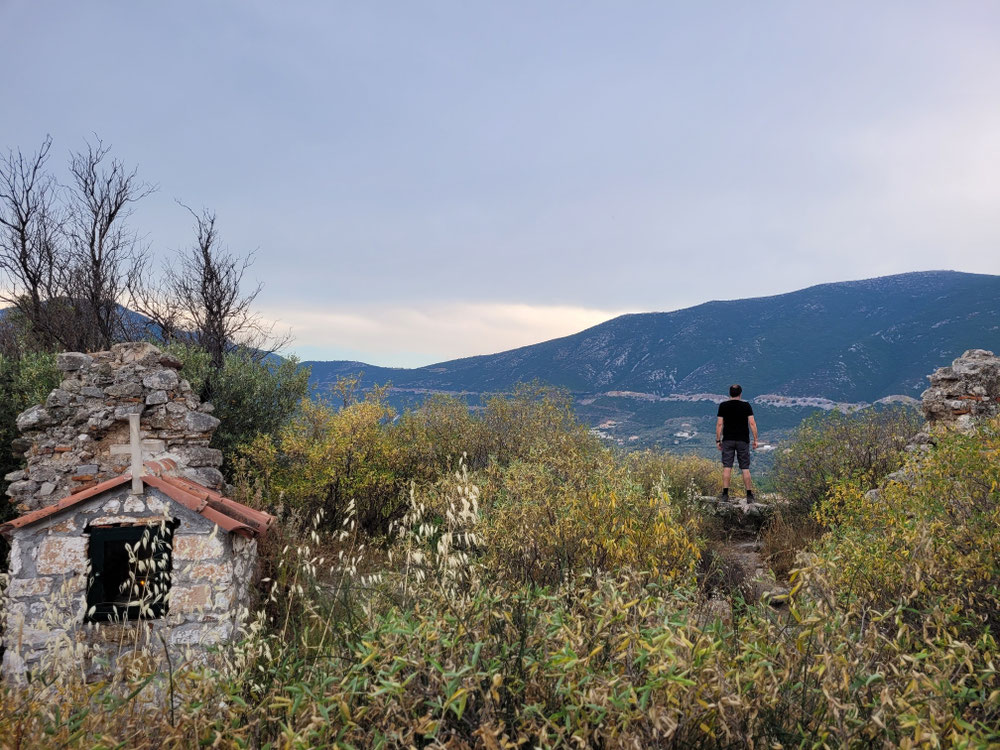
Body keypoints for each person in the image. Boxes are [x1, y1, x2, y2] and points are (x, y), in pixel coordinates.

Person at [716, 384, 758, 501]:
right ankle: (749, 495)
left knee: (727, 467)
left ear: (730, 393)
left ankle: (725, 494)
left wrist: (718, 440)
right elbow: (752, 423)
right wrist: (755, 439)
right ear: (740, 393)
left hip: (728, 440)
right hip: (743, 440)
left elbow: (719, 424)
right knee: (745, 468)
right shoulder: (746, 406)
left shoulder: (723, 406)